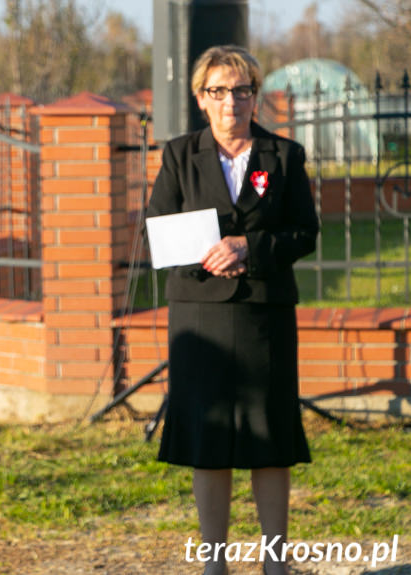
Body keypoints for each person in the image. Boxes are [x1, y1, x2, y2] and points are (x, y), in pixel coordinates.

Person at [147, 45, 319, 575]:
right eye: (218, 91)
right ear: (201, 98)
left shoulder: (284, 156)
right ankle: (214, 563)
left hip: (264, 315)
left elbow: (305, 233)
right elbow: (160, 229)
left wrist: (249, 247)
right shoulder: (179, 155)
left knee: (269, 440)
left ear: (254, 96)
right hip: (201, 317)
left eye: (241, 91)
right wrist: (208, 252)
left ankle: (275, 562)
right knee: (209, 439)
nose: (231, 103)